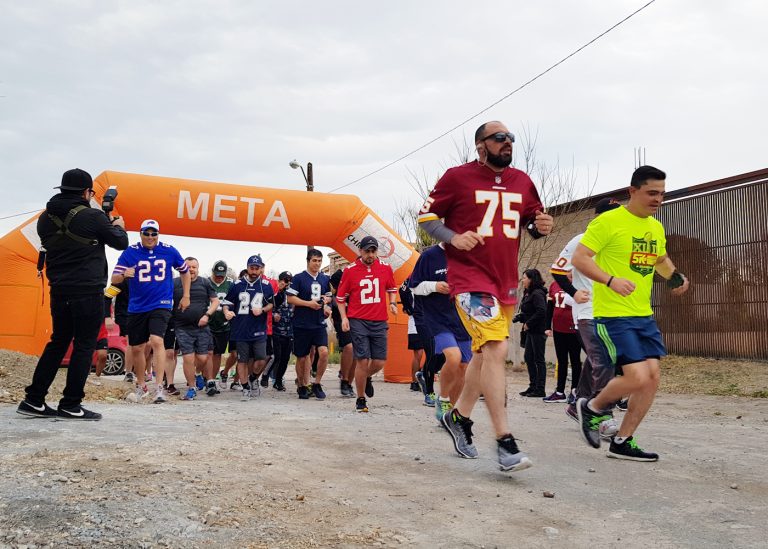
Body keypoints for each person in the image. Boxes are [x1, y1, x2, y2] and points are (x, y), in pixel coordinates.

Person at [418, 121, 553, 472]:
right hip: (469, 279)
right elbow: (427, 217)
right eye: (499, 138)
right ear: (480, 145)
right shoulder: (457, 176)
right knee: (496, 348)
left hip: (505, 280)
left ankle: (458, 417)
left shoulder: (522, 180)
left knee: (482, 354)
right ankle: (505, 442)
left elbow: (530, 222)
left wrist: (540, 227)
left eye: (510, 137)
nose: (507, 142)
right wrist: (452, 237)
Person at [571, 165, 689, 461]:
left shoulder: (655, 227)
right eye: (651, 193)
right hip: (613, 314)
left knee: (651, 379)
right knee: (636, 377)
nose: (657, 199)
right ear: (632, 191)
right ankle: (592, 407)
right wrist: (609, 280)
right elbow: (580, 258)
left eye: (661, 193)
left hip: (642, 314)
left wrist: (675, 278)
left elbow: (660, 259)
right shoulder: (609, 222)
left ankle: (622, 441)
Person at [18, 168, 128, 420]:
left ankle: (33, 399)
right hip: (87, 290)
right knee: (84, 345)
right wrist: (118, 226)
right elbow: (120, 243)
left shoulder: (45, 219)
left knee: (58, 342)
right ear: (86, 192)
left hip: (59, 289)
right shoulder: (92, 216)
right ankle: (71, 403)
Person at [550, 197, 621, 434]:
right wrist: (573, 292)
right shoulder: (581, 240)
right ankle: (602, 413)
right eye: (612, 214)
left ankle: (577, 403)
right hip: (588, 311)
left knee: (599, 359)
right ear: (600, 217)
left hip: (613, 311)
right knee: (603, 358)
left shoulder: (617, 242)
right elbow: (557, 270)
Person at [111, 219, 191, 404]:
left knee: (156, 340)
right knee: (138, 347)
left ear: (158, 234)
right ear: (140, 234)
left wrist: (186, 295)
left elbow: (184, 271)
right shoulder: (130, 252)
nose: (150, 237)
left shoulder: (169, 250)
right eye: (146, 233)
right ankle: (141, 385)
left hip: (161, 303)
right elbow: (114, 279)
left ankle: (159, 388)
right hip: (137, 306)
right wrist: (124, 275)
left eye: (153, 233)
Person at [409, 243, 471, 423]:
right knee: (453, 357)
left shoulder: (469, 254)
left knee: (464, 367)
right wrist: (435, 286)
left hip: (462, 318)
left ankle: (449, 413)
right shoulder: (429, 256)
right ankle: (442, 399)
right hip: (437, 318)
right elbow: (414, 287)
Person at [336, 236, 398, 412]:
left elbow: (392, 289)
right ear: (360, 251)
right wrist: (344, 318)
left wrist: (392, 303)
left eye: (373, 251)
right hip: (358, 320)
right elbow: (340, 298)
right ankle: (360, 398)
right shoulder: (350, 270)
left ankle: (366, 378)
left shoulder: (386, 268)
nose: (370, 254)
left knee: (379, 362)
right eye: (367, 251)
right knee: (362, 360)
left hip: (379, 320)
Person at [222, 255, 274, 401]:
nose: (254, 271)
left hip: (259, 328)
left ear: (261, 269)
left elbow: (271, 304)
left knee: (261, 359)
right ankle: (245, 387)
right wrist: (227, 311)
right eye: (252, 267)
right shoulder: (237, 284)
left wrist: (263, 310)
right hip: (241, 328)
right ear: (247, 267)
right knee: (242, 360)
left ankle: (252, 378)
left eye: (257, 268)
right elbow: (226, 302)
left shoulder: (266, 284)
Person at [286, 249, 332, 400]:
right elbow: (291, 299)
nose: (317, 264)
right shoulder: (299, 278)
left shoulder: (325, 279)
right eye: (314, 261)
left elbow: (328, 297)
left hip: (318, 323)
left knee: (324, 352)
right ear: (308, 261)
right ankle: (302, 385)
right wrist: (308, 304)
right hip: (301, 324)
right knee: (302, 356)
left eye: (319, 261)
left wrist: (325, 304)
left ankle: (317, 383)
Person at [173, 257, 219, 400]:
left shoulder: (205, 283)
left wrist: (207, 315)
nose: (191, 269)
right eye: (188, 266)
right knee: (188, 358)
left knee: (203, 358)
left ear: (198, 268)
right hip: (182, 327)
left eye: (194, 267)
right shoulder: (174, 283)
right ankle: (191, 388)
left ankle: (198, 373)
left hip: (202, 327)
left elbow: (215, 301)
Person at [542, 278, 582, 403]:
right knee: (561, 360)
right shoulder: (555, 284)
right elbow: (550, 307)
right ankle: (560, 391)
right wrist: (548, 326)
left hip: (574, 328)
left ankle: (575, 391)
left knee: (575, 360)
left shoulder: (579, 283)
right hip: (559, 328)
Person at [514, 269, 548, 398]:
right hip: (530, 331)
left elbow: (541, 311)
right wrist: (520, 317)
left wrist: (529, 323)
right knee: (529, 357)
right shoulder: (528, 293)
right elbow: (529, 311)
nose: (523, 280)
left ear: (531, 279)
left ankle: (540, 389)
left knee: (539, 359)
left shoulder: (538, 293)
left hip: (538, 330)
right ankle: (532, 385)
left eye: (524, 278)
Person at [208, 260, 237, 388]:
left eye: (222, 275)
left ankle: (212, 381)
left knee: (217, 353)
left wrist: (231, 312)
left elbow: (235, 301)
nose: (219, 277)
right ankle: (201, 375)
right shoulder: (206, 282)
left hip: (224, 324)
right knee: (205, 354)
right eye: (217, 274)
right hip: (207, 323)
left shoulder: (231, 284)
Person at [330, 268, 355, 397]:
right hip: (341, 315)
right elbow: (332, 287)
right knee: (349, 346)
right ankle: (344, 380)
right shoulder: (343, 272)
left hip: (358, 316)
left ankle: (349, 383)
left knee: (358, 352)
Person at [398, 278, 424, 393]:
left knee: (433, 352)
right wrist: (407, 307)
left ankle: (421, 376)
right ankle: (414, 382)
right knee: (418, 353)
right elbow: (402, 289)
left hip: (428, 320)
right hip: (415, 320)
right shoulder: (411, 279)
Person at [271, 271, 294, 391]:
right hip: (277, 330)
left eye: (289, 280)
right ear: (279, 281)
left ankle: (278, 380)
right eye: (285, 280)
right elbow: (270, 307)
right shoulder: (275, 293)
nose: (287, 283)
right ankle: (267, 376)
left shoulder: (293, 295)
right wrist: (274, 315)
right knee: (277, 357)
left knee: (285, 358)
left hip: (289, 330)